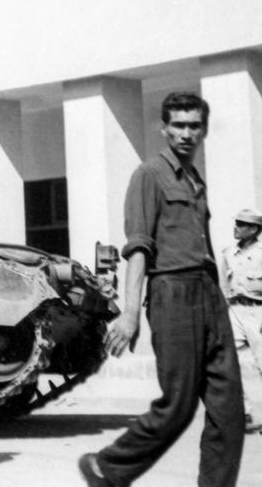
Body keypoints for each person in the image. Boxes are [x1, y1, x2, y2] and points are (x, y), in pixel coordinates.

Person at [78, 92, 243, 487]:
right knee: (178, 406)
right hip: (172, 292)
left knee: (229, 412)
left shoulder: (195, 180)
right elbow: (138, 247)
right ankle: (108, 467)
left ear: (203, 129)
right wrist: (131, 312)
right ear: (164, 128)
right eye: (179, 125)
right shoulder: (149, 174)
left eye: (194, 125)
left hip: (208, 293)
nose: (187, 133)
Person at [220, 207, 262, 433]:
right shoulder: (227, 253)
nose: (235, 227)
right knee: (226, 362)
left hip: (259, 311)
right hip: (235, 310)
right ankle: (243, 414)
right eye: (235, 222)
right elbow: (222, 285)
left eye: (241, 224)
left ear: (254, 229)